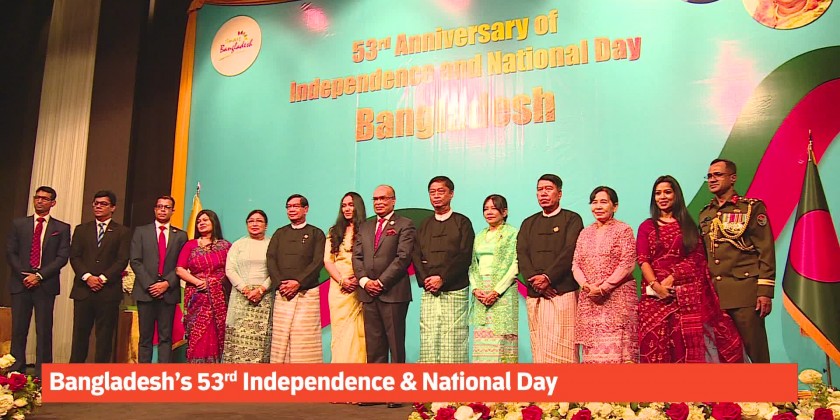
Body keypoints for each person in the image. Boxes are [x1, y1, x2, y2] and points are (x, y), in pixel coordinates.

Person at [637, 175, 744, 363]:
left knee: (681, 346)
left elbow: (697, 257)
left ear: (676, 195)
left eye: (667, 192)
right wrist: (656, 286)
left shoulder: (687, 225)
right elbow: (643, 260)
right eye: (658, 193)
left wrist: (673, 277)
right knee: (651, 345)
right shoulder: (646, 226)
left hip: (682, 296)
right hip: (653, 297)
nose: (662, 197)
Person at [699, 159, 776, 363]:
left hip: (745, 293)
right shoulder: (705, 214)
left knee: (756, 352)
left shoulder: (750, 208)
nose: (712, 179)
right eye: (709, 176)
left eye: (718, 175)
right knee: (725, 356)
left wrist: (765, 292)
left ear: (732, 178)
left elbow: (765, 250)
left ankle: (766, 386)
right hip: (717, 296)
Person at [352, 185, 415, 409]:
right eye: (375, 199)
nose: (379, 202)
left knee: (395, 345)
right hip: (368, 293)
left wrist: (380, 282)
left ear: (393, 200)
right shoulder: (365, 226)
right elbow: (357, 257)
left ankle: (397, 392)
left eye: (383, 198)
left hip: (393, 292)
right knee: (374, 346)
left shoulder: (405, 224)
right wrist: (364, 281)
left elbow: (403, 258)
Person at [517, 174, 583, 363]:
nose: (543, 194)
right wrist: (536, 282)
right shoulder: (528, 223)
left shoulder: (572, 219)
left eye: (548, 189)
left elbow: (570, 251)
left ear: (559, 193)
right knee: (540, 349)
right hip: (536, 294)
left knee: (565, 348)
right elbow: (522, 254)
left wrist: (548, 277)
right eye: (540, 190)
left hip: (562, 292)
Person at [6, 186, 70, 377]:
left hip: (45, 285)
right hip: (21, 283)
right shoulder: (19, 224)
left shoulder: (61, 228)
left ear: (53, 203)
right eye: (37, 197)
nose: (40, 201)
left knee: (44, 330)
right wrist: (24, 275)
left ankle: (43, 372)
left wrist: (39, 276)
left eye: (45, 198)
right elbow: (11, 252)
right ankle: (17, 370)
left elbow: (62, 257)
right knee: (19, 329)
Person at [572, 186, 639, 363]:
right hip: (590, 300)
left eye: (603, 202)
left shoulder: (623, 230)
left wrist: (604, 288)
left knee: (620, 357)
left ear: (615, 206)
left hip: (617, 299)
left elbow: (627, 263)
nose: (598, 206)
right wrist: (586, 286)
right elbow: (575, 264)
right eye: (594, 202)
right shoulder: (585, 233)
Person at [412, 176, 474, 363]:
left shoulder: (462, 222)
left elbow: (464, 255)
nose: (436, 196)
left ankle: (454, 378)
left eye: (441, 191)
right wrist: (426, 280)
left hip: (455, 290)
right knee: (429, 337)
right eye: (432, 192)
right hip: (429, 290)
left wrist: (442, 278)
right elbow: (416, 254)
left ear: (451, 194)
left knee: (454, 339)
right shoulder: (424, 225)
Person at [69, 190, 131, 363]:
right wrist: (88, 277)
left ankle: (100, 373)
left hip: (108, 292)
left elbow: (122, 259)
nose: (98, 206)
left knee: (104, 337)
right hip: (83, 290)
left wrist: (102, 279)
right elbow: (74, 257)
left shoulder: (122, 232)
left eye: (103, 204)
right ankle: (74, 373)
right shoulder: (82, 229)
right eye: (96, 203)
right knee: (80, 335)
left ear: (113, 208)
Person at [267, 194, 326, 363]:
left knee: (304, 338)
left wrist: (298, 282)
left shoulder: (316, 233)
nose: (291, 210)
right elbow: (271, 259)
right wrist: (280, 284)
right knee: (281, 339)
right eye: (289, 207)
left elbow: (318, 261)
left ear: (305, 209)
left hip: (307, 293)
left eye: (295, 206)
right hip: (283, 293)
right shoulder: (280, 233)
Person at [129, 195, 188, 363]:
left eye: (167, 207)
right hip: (145, 292)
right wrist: (151, 285)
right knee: (145, 338)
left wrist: (166, 283)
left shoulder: (180, 235)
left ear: (172, 211)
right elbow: (135, 261)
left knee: (165, 337)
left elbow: (181, 264)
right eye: (160, 206)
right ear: (155, 209)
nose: (163, 210)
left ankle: (163, 374)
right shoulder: (141, 232)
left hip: (168, 293)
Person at [176, 209, 231, 363]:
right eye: (199, 221)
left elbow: (231, 270)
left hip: (218, 297)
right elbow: (180, 269)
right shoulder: (190, 245)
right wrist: (198, 282)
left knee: (215, 333)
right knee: (196, 335)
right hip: (196, 296)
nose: (201, 223)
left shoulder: (226, 246)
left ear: (214, 222)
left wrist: (213, 283)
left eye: (205, 220)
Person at [469, 194, 519, 363]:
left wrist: (497, 291)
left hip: (503, 292)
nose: (489, 212)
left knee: (502, 339)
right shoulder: (479, 235)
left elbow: (515, 264)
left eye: (494, 208)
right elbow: (472, 265)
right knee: (482, 341)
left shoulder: (512, 233)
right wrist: (475, 289)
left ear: (504, 212)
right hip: (481, 292)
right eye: (486, 209)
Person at [223, 210, 273, 363]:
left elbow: (277, 270)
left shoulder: (273, 244)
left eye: (259, 221)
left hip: (264, 296)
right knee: (238, 337)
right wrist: (245, 289)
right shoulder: (238, 244)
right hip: (241, 296)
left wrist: (261, 289)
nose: (255, 224)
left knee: (261, 339)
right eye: (251, 221)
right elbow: (230, 269)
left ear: (266, 225)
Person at [324, 192, 367, 363]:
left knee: (359, 331)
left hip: (359, 286)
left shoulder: (367, 229)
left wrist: (357, 278)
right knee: (341, 331)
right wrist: (342, 280)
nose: (347, 209)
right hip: (338, 288)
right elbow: (328, 260)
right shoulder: (334, 231)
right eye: (344, 205)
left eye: (351, 205)